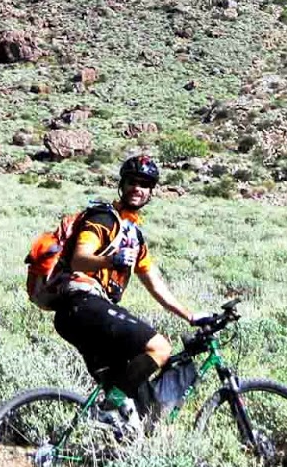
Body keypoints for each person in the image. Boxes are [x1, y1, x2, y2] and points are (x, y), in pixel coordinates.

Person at [51, 153, 198, 420]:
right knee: (160, 348)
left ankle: (112, 429)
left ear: (151, 191)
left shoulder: (134, 235)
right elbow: (79, 259)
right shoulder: (103, 219)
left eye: (145, 184)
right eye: (132, 182)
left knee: (137, 400)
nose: (137, 188)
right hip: (82, 302)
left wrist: (190, 316)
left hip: (84, 313)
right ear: (122, 184)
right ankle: (108, 408)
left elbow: (155, 285)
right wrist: (111, 259)